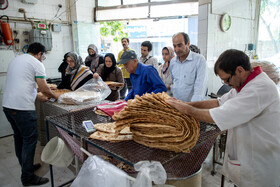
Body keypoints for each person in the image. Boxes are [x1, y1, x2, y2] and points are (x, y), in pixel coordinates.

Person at [166, 49, 280, 187]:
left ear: (239, 70)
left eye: (227, 79)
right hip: (248, 157)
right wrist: (185, 103)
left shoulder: (259, 88)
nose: (226, 84)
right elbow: (218, 102)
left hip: (259, 164)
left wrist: (186, 110)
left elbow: (216, 115)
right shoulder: (245, 84)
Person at [2, 42, 59, 186]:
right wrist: (58, 97)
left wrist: (38, 97)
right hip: (22, 108)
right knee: (30, 139)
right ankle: (27, 177)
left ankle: (25, 166)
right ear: (40, 53)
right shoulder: (36, 63)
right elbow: (44, 87)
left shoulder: (16, 60)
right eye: (43, 56)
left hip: (8, 106)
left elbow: (25, 85)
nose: (42, 59)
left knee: (19, 137)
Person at [170, 32, 208, 102]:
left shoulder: (199, 60)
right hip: (176, 107)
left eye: (179, 45)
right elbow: (174, 83)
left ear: (188, 43)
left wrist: (190, 108)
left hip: (193, 107)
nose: (177, 49)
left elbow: (200, 90)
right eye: (174, 46)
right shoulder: (173, 62)